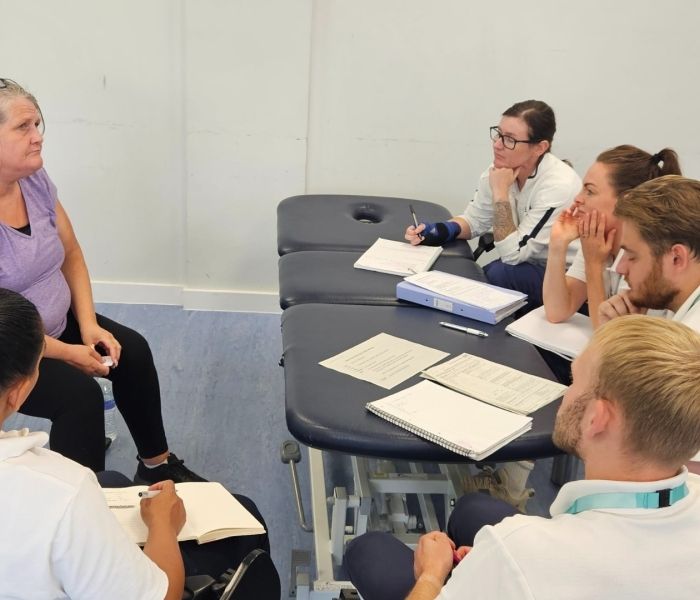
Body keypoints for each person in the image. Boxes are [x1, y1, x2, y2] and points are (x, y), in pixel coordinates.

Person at [344, 315, 700, 599]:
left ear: (597, 418)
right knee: (475, 509)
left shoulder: (522, 551)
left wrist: (433, 575)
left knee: (367, 549)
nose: (565, 393)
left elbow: (526, 561)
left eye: (574, 381)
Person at [0, 287, 276, 599]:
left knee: (111, 482)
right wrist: (163, 525)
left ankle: (154, 468)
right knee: (246, 514)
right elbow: (163, 594)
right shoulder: (64, 488)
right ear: (19, 392)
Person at [0, 77, 202, 480]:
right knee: (79, 399)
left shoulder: (34, 181)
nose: (37, 137)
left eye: (38, 125)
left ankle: (157, 466)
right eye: (23, 128)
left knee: (134, 351)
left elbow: (71, 253)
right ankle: (85, 502)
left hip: (57, 322)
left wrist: (88, 324)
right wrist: (67, 352)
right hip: (12, 349)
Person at [405, 99, 581, 308]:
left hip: (565, 277)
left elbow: (512, 255)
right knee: (485, 277)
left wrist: (500, 192)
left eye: (510, 140)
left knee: (496, 275)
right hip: (526, 263)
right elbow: (474, 220)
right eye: (498, 134)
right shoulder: (503, 169)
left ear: (539, 148)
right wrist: (437, 231)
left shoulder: (557, 186)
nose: (497, 144)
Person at [543, 145, 681, 328]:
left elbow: (610, 335)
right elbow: (556, 311)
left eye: (589, 191)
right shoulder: (596, 238)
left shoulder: (645, 254)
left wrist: (594, 264)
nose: (577, 199)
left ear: (627, 200)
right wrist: (558, 244)